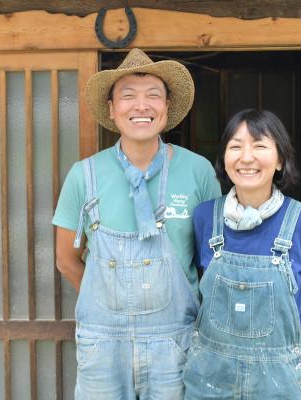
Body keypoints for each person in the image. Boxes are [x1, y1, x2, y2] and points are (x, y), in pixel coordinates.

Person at [52, 48, 221, 399]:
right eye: (128, 96)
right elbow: (66, 260)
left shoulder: (198, 171)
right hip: (102, 347)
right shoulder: (84, 176)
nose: (140, 106)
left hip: (174, 343)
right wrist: (107, 304)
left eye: (152, 96)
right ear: (112, 109)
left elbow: (213, 262)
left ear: (168, 107)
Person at [183, 109, 301, 399]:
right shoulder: (204, 217)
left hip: (277, 380)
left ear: (280, 160)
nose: (246, 157)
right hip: (210, 375)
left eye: (260, 145)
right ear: (224, 159)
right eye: (235, 146)